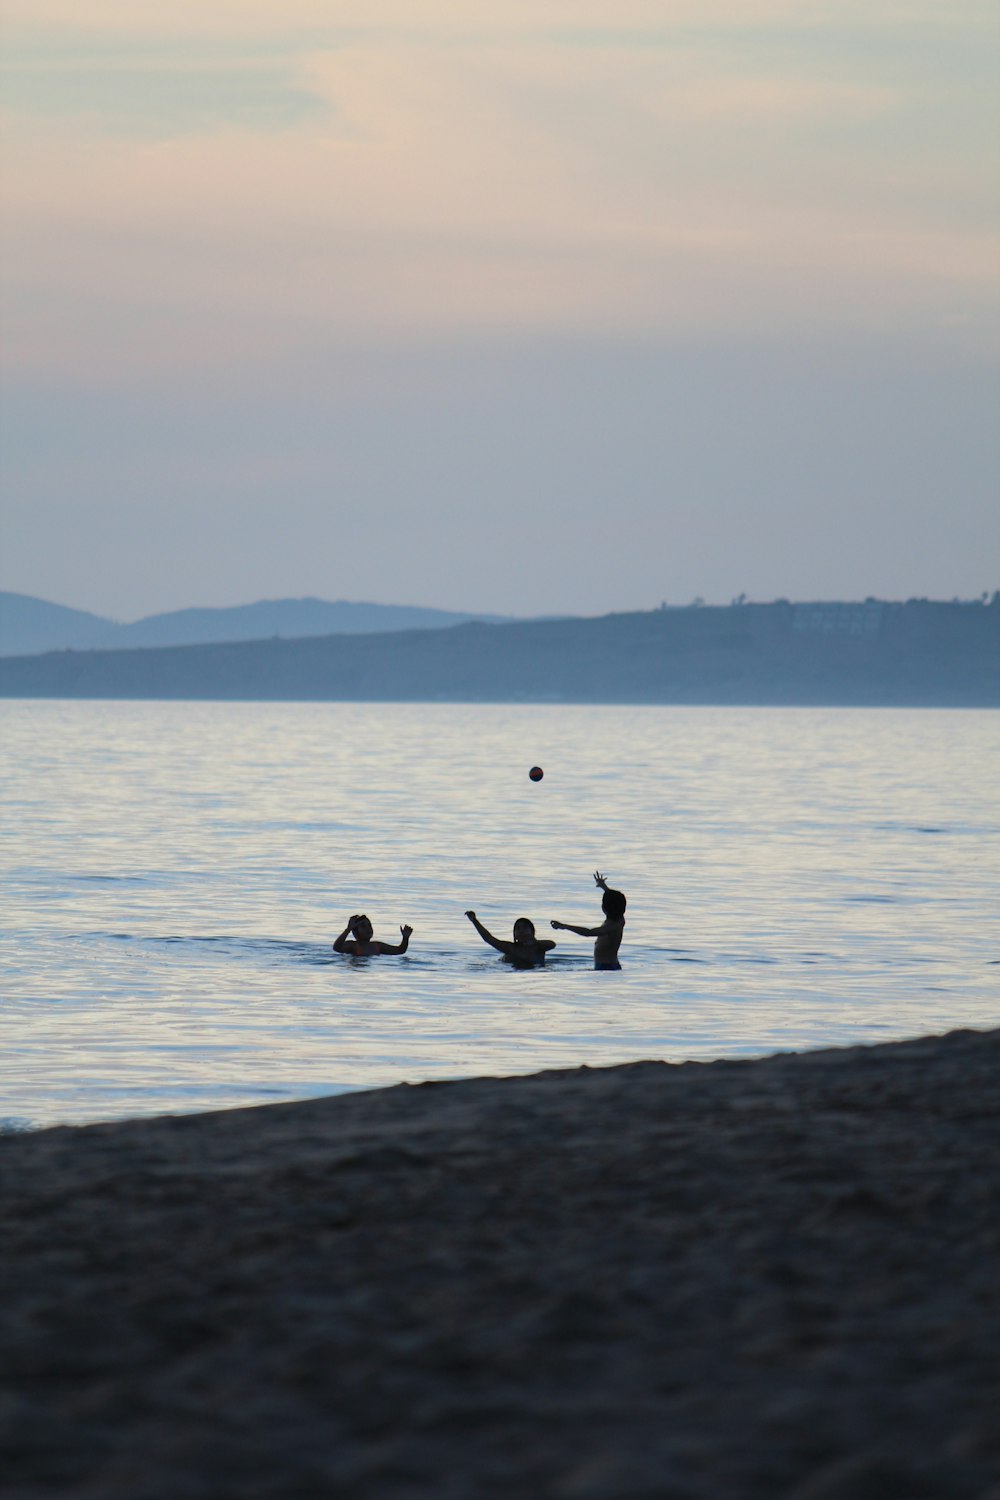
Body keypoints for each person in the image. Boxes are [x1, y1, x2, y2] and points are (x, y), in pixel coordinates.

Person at [551, 870, 626, 969]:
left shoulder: (611, 926)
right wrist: (604, 886)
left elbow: (588, 932)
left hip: (607, 967)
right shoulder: (620, 919)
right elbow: (614, 900)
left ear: (604, 907)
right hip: (607, 965)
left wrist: (564, 926)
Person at [465, 910, 555, 969]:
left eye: (525, 928)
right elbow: (488, 938)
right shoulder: (510, 948)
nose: (522, 931)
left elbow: (552, 944)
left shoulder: (539, 947)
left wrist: (534, 942)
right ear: (514, 935)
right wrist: (474, 921)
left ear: (532, 932)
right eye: (518, 928)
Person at [332, 914, 413, 957]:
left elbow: (400, 951)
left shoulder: (377, 946)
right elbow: (337, 948)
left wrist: (405, 938)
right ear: (355, 932)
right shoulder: (352, 945)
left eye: (369, 925)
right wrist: (348, 930)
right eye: (363, 926)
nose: (368, 929)